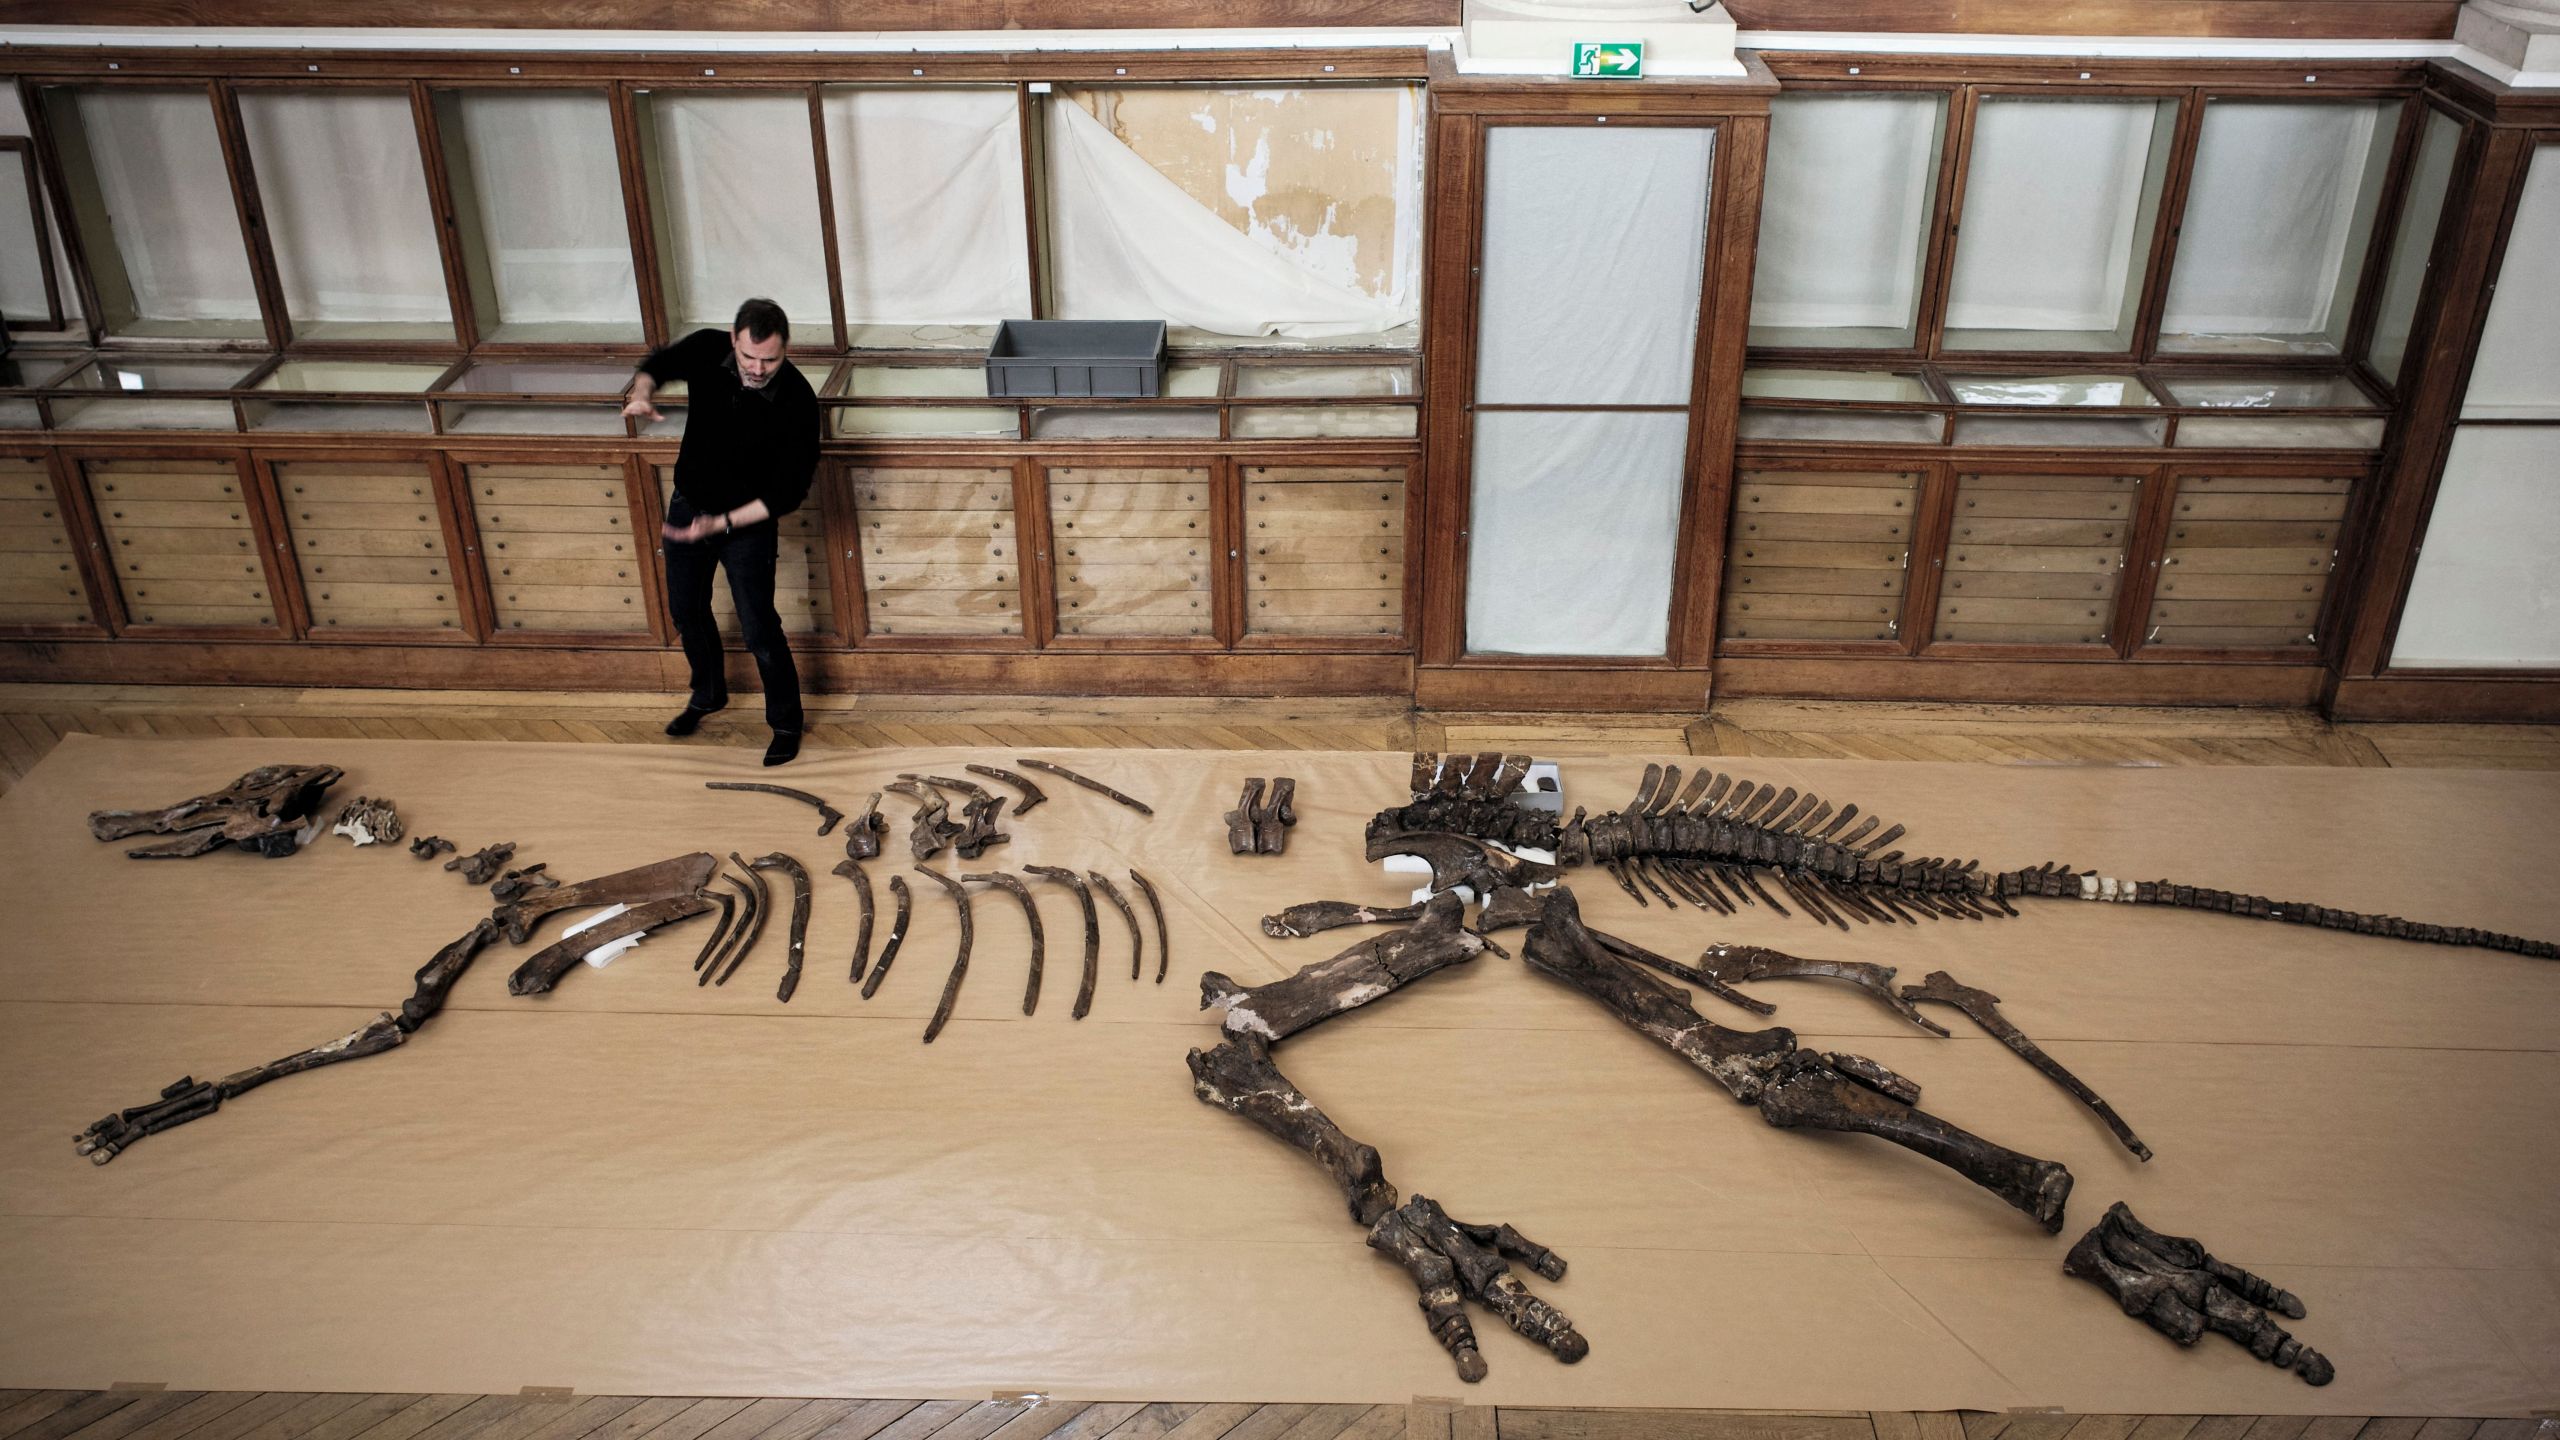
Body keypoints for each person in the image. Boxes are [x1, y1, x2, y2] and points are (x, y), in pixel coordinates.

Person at [625, 298, 820, 767]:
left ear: (786, 350)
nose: (757, 368)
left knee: (759, 627)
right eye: (749, 357)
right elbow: (658, 364)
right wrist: (644, 390)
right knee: (685, 609)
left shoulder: (798, 401)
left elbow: (787, 495)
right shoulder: (708, 348)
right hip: (688, 503)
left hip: (746, 523)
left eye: (769, 359)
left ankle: (786, 724)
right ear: (733, 341)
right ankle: (709, 694)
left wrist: (723, 524)